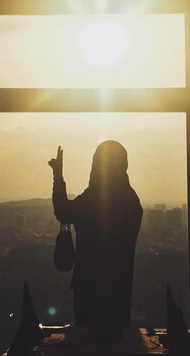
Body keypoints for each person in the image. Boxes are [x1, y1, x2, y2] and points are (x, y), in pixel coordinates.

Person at [48, 140, 143, 328]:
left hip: (88, 284)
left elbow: (63, 212)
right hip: (119, 285)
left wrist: (58, 176)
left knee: (88, 339)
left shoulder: (94, 196)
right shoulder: (131, 199)